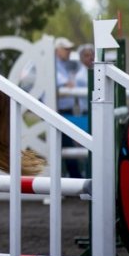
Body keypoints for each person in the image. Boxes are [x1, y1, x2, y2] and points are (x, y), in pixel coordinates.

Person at [54, 37, 82, 177]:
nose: (69, 52)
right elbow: (66, 83)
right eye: (66, 49)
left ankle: (68, 177)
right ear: (57, 50)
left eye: (70, 49)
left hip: (64, 110)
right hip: (59, 111)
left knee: (64, 144)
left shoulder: (62, 64)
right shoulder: (53, 64)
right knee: (67, 144)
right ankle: (75, 177)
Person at [74, 43, 95, 116]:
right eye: (87, 56)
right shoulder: (80, 76)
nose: (90, 57)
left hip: (97, 110)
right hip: (86, 112)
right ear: (81, 58)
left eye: (92, 55)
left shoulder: (96, 71)